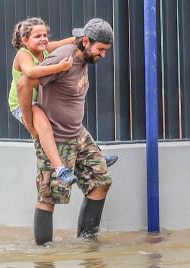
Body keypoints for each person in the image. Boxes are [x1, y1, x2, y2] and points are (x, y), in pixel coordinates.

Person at [17, 18, 115, 245]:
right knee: (48, 197)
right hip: (57, 137)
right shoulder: (63, 58)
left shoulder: (83, 56)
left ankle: (87, 244)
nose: (103, 55)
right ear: (87, 42)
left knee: (101, 181)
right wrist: (30, 123)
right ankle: (45, 257)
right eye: (101, 50)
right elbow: (24, 84)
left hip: (78, 134)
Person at [9, 18, 118, 187]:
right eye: (38, 36)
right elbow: (29, 74)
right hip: (23, 103)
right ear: (24, 40)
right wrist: (59, 68)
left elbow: (63, 42)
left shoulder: (45, 49)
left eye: (45, 34)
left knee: (76, 123)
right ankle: (60, 169)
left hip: (36, 99)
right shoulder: (23, 54)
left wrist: (85, 36)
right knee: (43, 127)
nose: (44, 39)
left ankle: (97, 156)